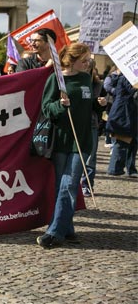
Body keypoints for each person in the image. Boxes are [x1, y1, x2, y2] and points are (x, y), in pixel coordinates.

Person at [36, 43, 106, 249]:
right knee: (61, 186)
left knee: (69, 185)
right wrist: (60, 105)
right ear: (71, 60)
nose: (88, 64)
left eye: (89, 60)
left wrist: (98, 104)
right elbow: (46, 108)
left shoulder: (85, 78)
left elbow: (87, 106)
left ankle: (54, 232)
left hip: (82, 140)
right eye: (84, 60)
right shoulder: (55, 79)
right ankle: (67, 228)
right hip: (61, 140)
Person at [105, 73, 137, 177]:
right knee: (121, 142)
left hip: (126, 113)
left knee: (128, 143)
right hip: (123, 114)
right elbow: (132, 92)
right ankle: (114, 169)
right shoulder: (126, 78)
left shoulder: (126, 78)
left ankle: (122, 168)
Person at [81, 59, 104, 197]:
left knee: (90, 157)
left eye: (88, 67)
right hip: (74, 123)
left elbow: (98, 108)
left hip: (91, 122)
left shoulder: (97, 84)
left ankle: (87, 184)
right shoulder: (71, 81)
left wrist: (102, 103)